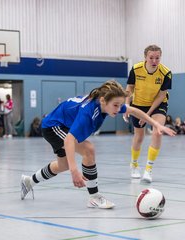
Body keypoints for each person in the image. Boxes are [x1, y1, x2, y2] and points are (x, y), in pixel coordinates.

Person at [20, 80, 175, 209]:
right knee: (88, 150)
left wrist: (157, 125)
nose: (118, 109)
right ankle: (94, 197)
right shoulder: (88, 113)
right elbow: (69, 139)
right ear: (103, 101)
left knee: (63, 165)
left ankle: (29, 181)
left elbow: (134, 111)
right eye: (115, 105)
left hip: (64, 124)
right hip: (54, 127)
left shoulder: (107, 102)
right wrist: (75, 171)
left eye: (119, 105)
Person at [123, 44, 172, 183]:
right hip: (138, 104)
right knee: (139, 137)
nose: (154, 61)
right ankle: (134, 164)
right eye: (151, 58)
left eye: (157, 58)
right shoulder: (136, 69)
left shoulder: (166, 73)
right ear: (145, 57)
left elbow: (162, 95)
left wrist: (148, 115)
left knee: (157, 131)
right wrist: (127, 105)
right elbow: (130, 88)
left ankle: (148, 169)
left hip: (157, 104)